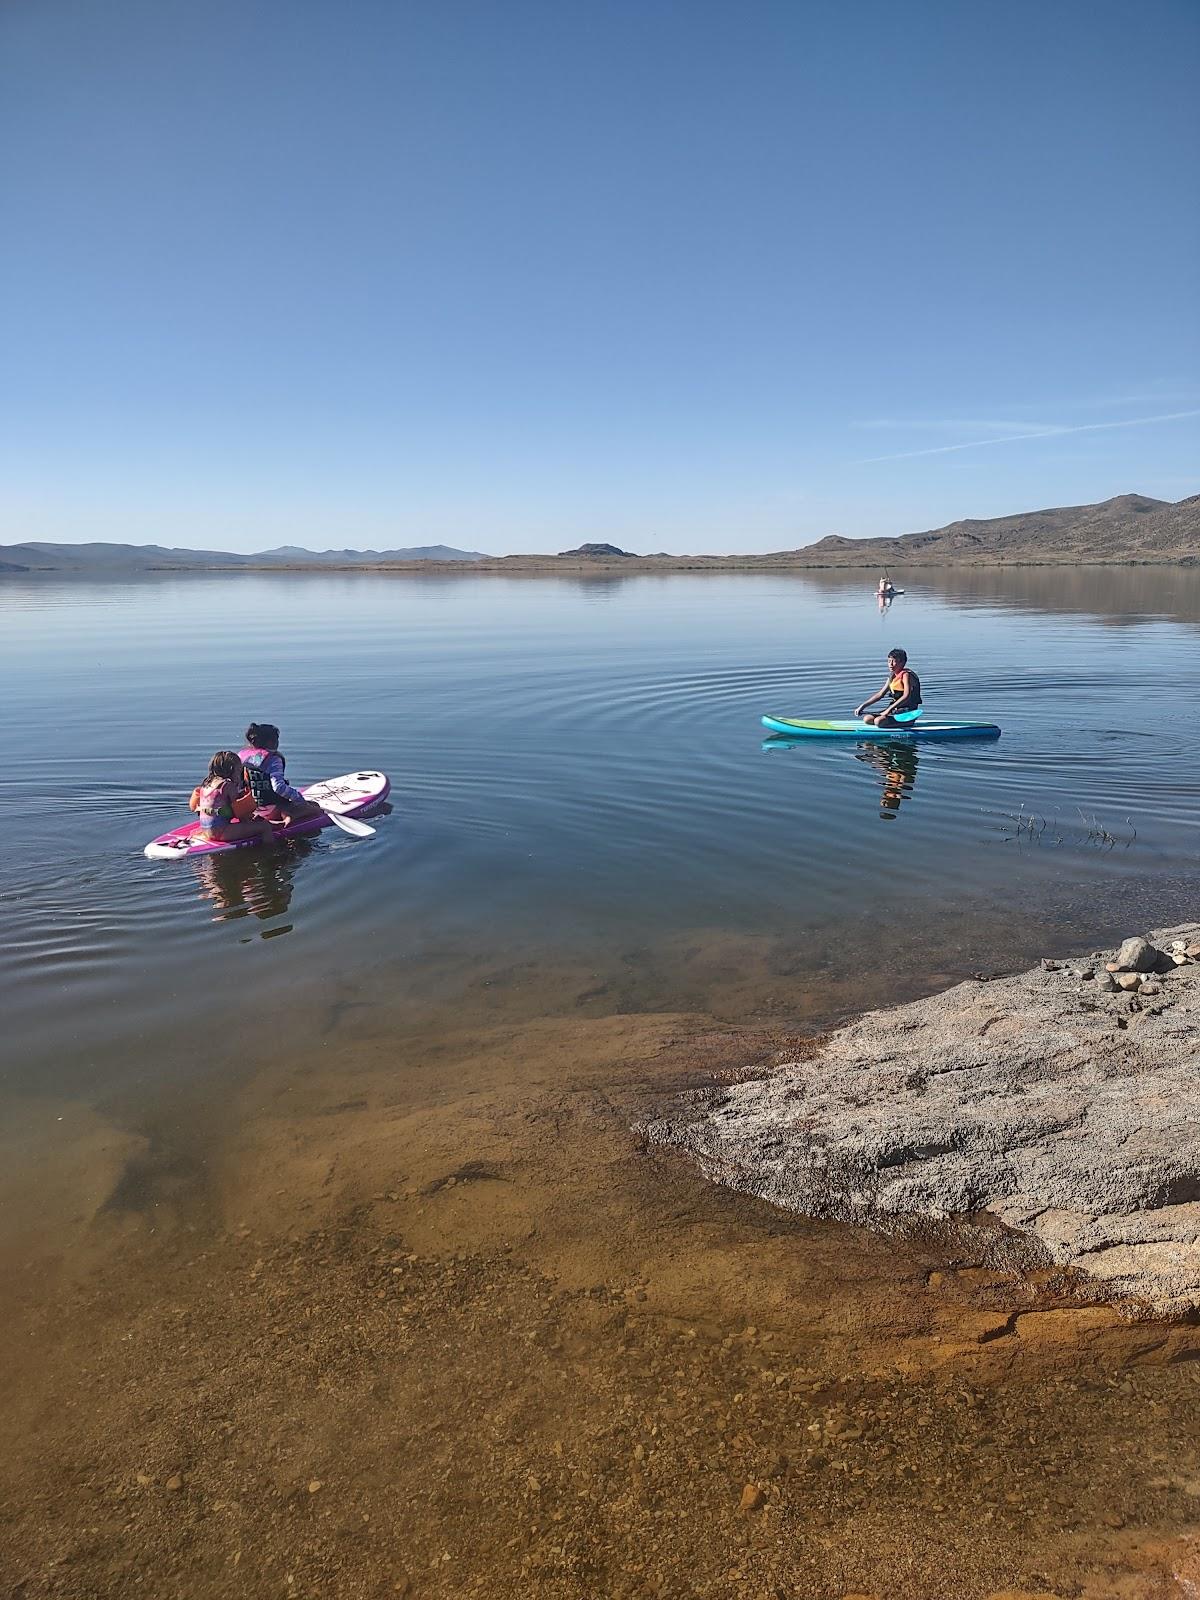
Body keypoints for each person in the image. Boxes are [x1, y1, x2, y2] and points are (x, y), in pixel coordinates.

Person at [239, 722, 322, 825]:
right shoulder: (273, 759)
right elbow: (278, 787)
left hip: (253, 808)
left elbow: (239, 785)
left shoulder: (243, 757)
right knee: (315, 808)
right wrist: (299, 799)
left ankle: (284, 813)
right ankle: (289, 816)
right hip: (273, 808)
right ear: (272, 741)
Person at [190, 751, 276, 846]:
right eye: (239, 770)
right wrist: (252, 822)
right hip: (221, 832)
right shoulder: (228, 786)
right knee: (264, 827)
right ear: (232, 770)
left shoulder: (205, 785)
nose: (240, 774)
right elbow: (240, 812)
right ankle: (270, 852)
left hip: (206, 830)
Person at [855, 648, 922, 726]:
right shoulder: (892, 676)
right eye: (889, 661)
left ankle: (908, 722)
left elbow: (906, 696)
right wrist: (862, 706)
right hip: (895, 709)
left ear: (902, 662)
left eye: (894, 661)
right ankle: (892, 722)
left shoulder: (906, 675)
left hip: (907, 712)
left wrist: (888, 710)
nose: (890, 664)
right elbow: (880, 694)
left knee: (878, 721)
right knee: (867, 719)